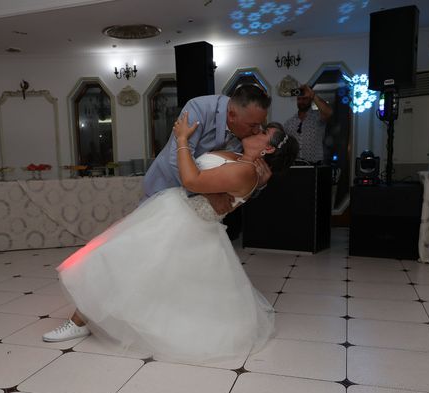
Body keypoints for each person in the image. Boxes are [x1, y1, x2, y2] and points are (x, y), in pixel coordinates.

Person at [42, 114, 299, 363]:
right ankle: (83, 318)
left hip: (186, 225)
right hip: (173, 212)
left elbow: (192, 179)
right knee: (121, 260)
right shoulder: (239, 157)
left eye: (265, 133)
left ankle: (79, 322)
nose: (258, 130)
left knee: (120, 260)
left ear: (267, 150)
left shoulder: (246, 171)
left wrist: (183, 138)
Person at [143, 83, 273, 216]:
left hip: (205, 210)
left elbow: (243, 177)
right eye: (253, 125)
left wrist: (258, 184)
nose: (257, 131)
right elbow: (176, 157)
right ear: (232, 115)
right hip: (167, 187)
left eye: (260, 125)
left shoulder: (250, 132)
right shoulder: (198, 109)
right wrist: (208, 195)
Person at [284, 84, 332, 165]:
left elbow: (329, 112)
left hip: (315, 165)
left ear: (310, 99)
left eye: (305, 98)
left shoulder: (318, 117)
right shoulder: (289, 123)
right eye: (299, 99)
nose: (302, 101)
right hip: (295, 166)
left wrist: (313, 95)